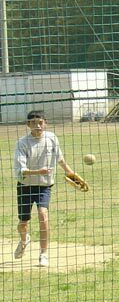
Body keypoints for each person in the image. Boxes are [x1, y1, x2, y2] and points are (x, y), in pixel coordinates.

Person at [13, 110, 76, 267]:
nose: (38, 126)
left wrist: (70, 173)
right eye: (34, 123)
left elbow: (60, 158)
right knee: (23, 223)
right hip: (25, 186)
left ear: (45, 123)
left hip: (44, 186)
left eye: (40, 123)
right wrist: (38, 172)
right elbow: (21, 170)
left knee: (43, 215)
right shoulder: (22, 143)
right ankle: (24, 240)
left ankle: (43, 254)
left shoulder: (52, 138)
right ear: (28, 125)